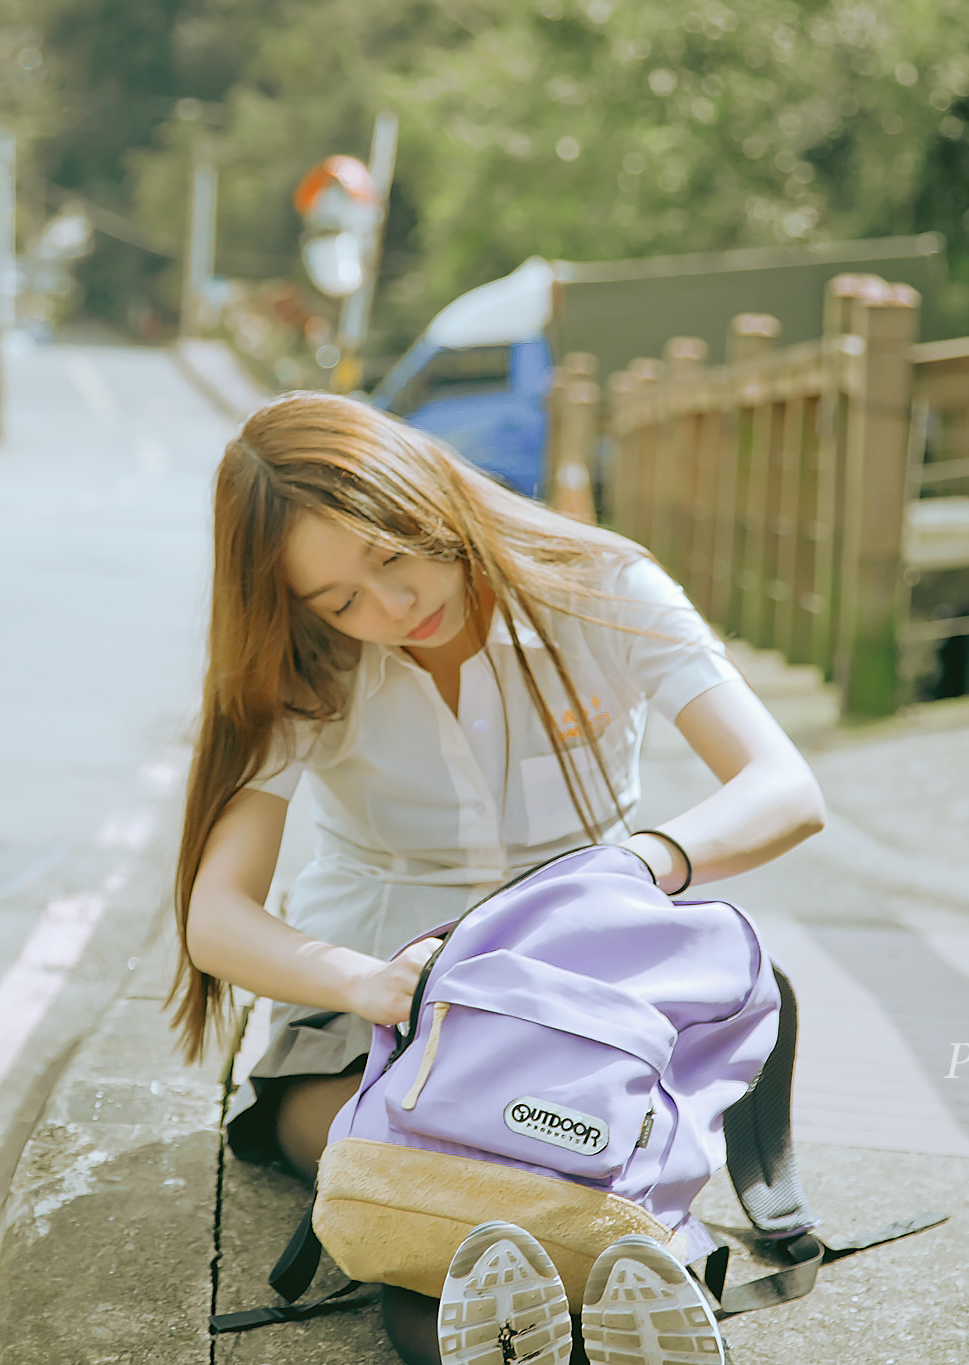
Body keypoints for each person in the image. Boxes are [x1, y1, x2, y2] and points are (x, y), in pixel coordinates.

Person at [171, 391, 825, 1364]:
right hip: (376, 1007)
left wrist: (633, 868)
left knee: (543, 1161)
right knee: (400, 1174)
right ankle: (584, 1299)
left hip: (581, 987)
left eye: (394, 556)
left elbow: (784, 786)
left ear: (425, 494)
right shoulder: (309, 664)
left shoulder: (598, 581)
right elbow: (215, 918)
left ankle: (597, 1285)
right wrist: (365, 981)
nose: (392, 609)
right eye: (343, 599)